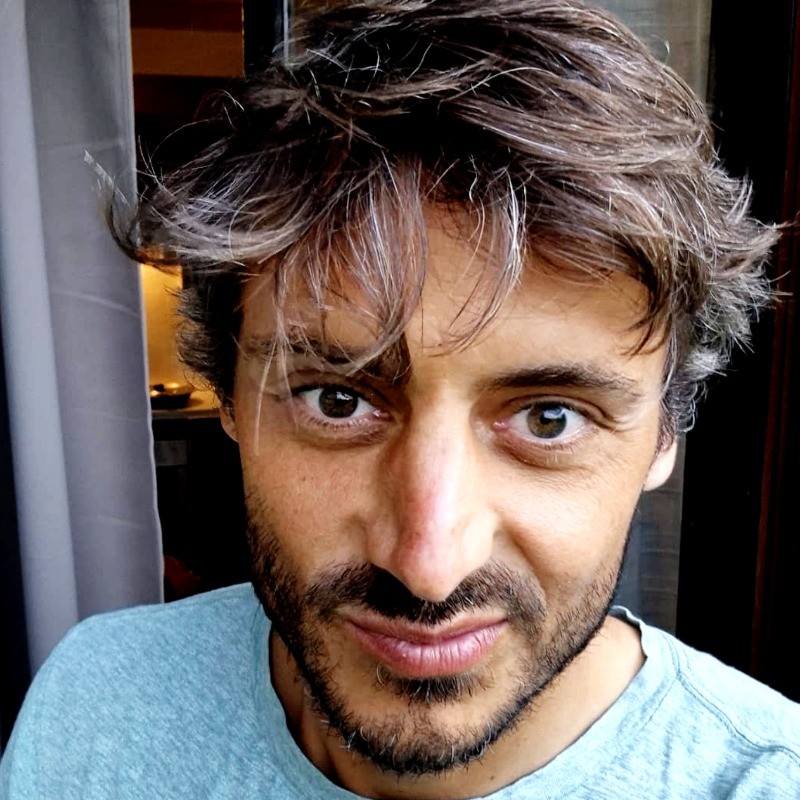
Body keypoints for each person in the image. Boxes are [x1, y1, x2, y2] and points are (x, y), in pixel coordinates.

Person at [2, 0, 799, 797]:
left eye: (548, 418)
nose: (428, 567)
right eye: (337, 402)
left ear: (666, 432)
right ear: (232, 403)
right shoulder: (96, 703)